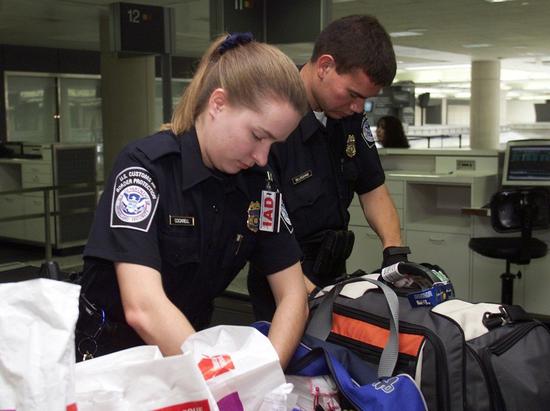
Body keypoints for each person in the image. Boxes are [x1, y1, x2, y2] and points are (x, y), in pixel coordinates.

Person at [75, 33, 309, 368]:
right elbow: (143, 306)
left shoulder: (260, 184)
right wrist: (222, 376)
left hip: (190, 356)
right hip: (112, 361)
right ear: (218, 104)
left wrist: (267, 374)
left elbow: (293, 295)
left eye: (274, 144)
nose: (262, 157)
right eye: (257, 136)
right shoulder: (145, 168)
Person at [247, 15, 411, 320]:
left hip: (333, 270)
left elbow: (372, 187)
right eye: (353, 94)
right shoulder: (274, 121)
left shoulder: (348, 118)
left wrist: (394, 251)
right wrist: (312, 294)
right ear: (324, 66)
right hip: (282, 278)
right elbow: (266, 225)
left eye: (366, 100)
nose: (359, 107)